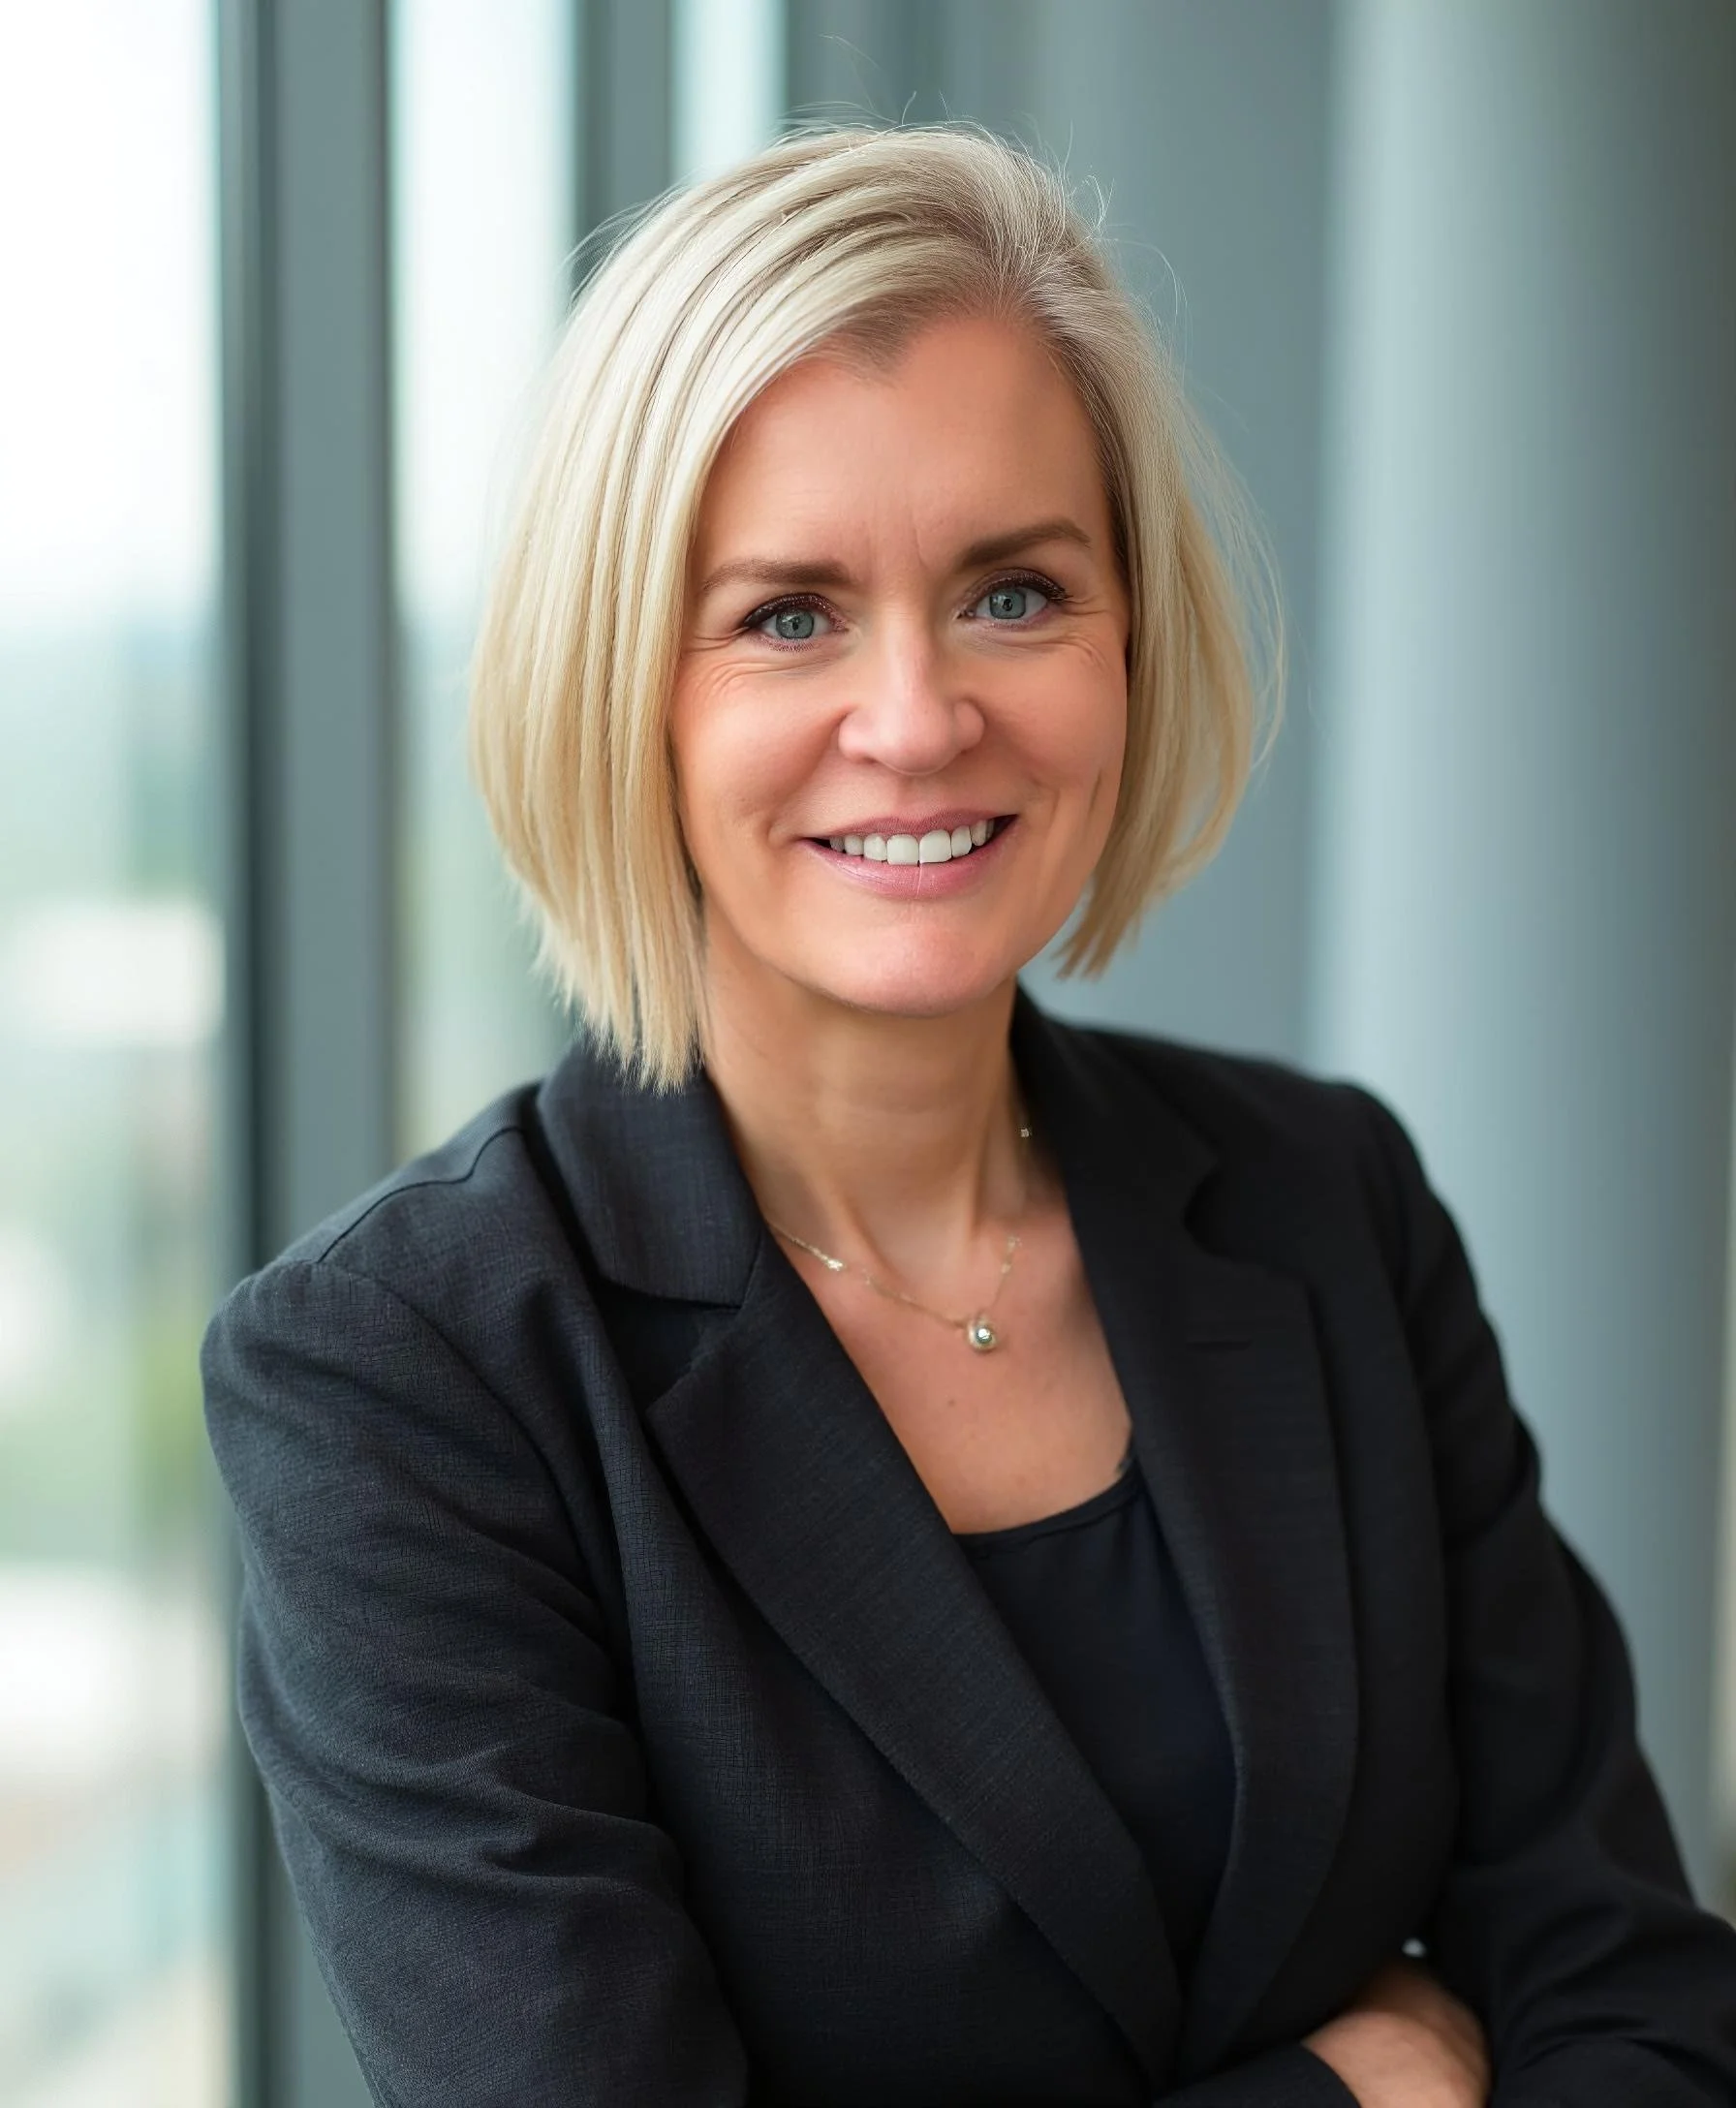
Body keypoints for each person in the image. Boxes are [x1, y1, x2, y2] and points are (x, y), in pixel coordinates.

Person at [201, 125, 1736, 2107]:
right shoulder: (404, 1373)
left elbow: (1633, 1986)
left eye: (1014, 592)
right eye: (787, 614)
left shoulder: (1326, 1200)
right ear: (620, 682)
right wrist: (1354, 2090)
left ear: (1130, 638)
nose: (919, 718)